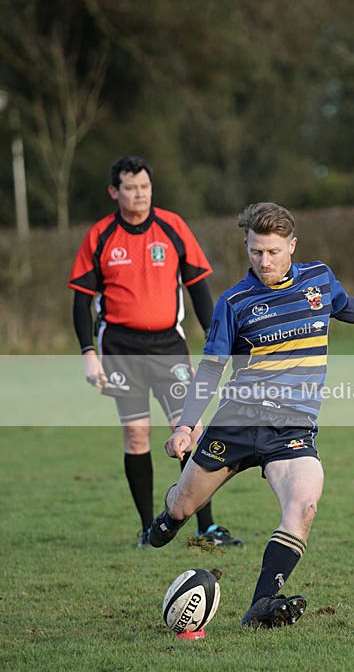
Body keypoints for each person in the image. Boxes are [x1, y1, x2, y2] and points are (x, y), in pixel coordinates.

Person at [148, 201, 354, 628]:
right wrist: (186, 425)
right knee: (185, 507)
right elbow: (210, 367)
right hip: (238, 423)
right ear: (246, 245)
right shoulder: (234, 303)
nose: (264, 261)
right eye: (256, 251)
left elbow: (345, 305)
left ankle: (261, 606)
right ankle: (167, 516)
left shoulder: (318, 280)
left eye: (274, 252)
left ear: (292, 246)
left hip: (292, 428)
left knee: (304, 504)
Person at [67, 155, 243, 549]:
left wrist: (221, 341)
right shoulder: (100, 236)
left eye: (144, 187)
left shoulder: (173, 227)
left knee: (190, 430)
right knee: (136, 436)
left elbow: (198, 288)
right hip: (120, 349)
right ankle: (150, 529)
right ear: (115, 192)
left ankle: (207, 526)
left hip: (168, 347)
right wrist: (87, 352)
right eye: (130, 188)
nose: (139, 194)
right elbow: (81, 300)